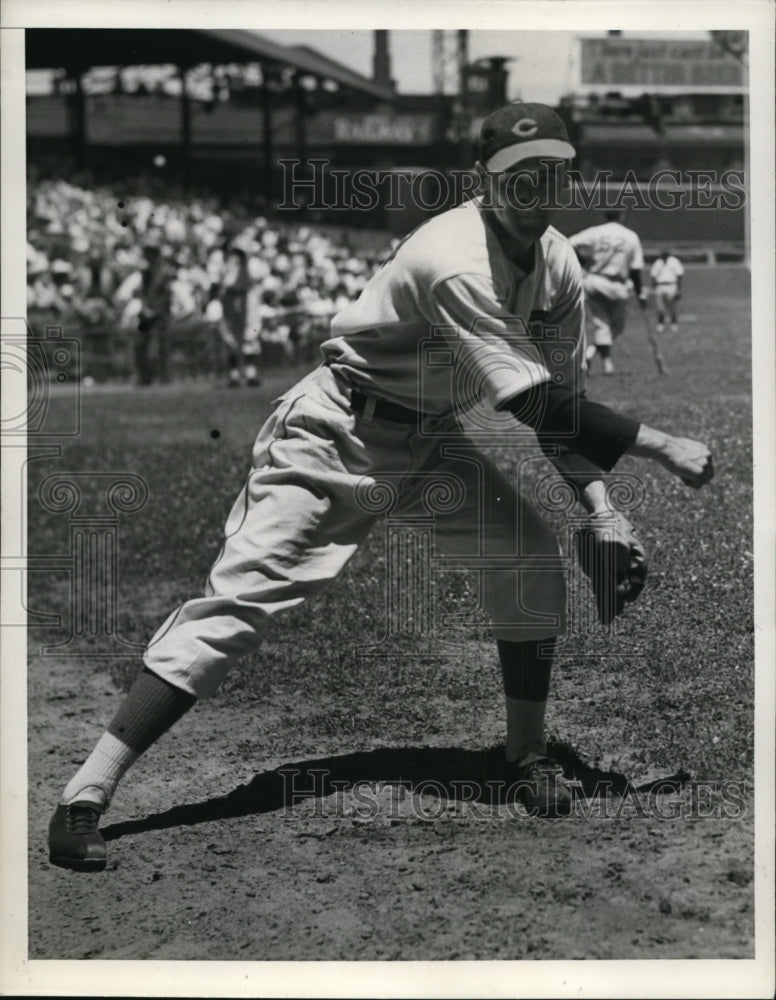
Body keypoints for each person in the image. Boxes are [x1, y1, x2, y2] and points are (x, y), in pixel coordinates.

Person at [48, 102, 714, 871]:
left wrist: (602, 508)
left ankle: (524, 755)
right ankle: (84, 797)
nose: (536, 184)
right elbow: (530, 402)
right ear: (483, 180)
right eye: (517, 172)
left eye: (552, 170)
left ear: (569, 174)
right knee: (238, 604)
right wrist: (661, 446)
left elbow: (560, 408)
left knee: (528, 559)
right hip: (337, 430)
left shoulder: (560, 262)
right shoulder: (454, 255)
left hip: (430, 437)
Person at [569, 209, 647, 375]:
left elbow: (569, 243)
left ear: (605, 216)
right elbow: (635, 268)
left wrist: (582, 262)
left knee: (602, 324)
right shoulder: (631, 236)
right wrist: (640, 292)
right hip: (617, 285)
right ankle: (605, 363)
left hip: (594, 281)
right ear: (622, 216)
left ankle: (594, 358)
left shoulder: (595, 232)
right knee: (616, 326)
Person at [650, 249, 685, 332]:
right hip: (660, 285)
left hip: (671, 285)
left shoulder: (674, 262)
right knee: (660, 307)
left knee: (671, 306)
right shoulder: (658, 263)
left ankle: (674, 323)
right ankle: (660, 324)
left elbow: (679, 274)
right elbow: (653, 275)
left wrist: (679, 288)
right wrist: (653, 287)